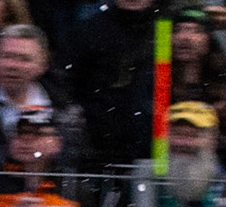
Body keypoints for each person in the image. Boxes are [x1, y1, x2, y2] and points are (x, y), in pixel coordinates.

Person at [0, 24, 83, 172]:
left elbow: (79, 168)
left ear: (43, 65)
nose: (12, 66)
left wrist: (54, 156)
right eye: (6, 56)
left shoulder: (66, 113)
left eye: (24, 59)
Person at [65, 0, 159, 171]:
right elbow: (70, 87)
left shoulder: (166, 30)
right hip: (99, 152)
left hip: (155, 150)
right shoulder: (88, 31)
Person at [132, 100, 226, 207]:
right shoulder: (142, 183)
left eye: (192, 135)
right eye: (176, 134)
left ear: (212, 141)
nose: (183, 143)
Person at [0, 105, 82, 207]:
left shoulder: (71, 187)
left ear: (56, 143)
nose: (26, 139)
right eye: (20, 132)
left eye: (37, 133)